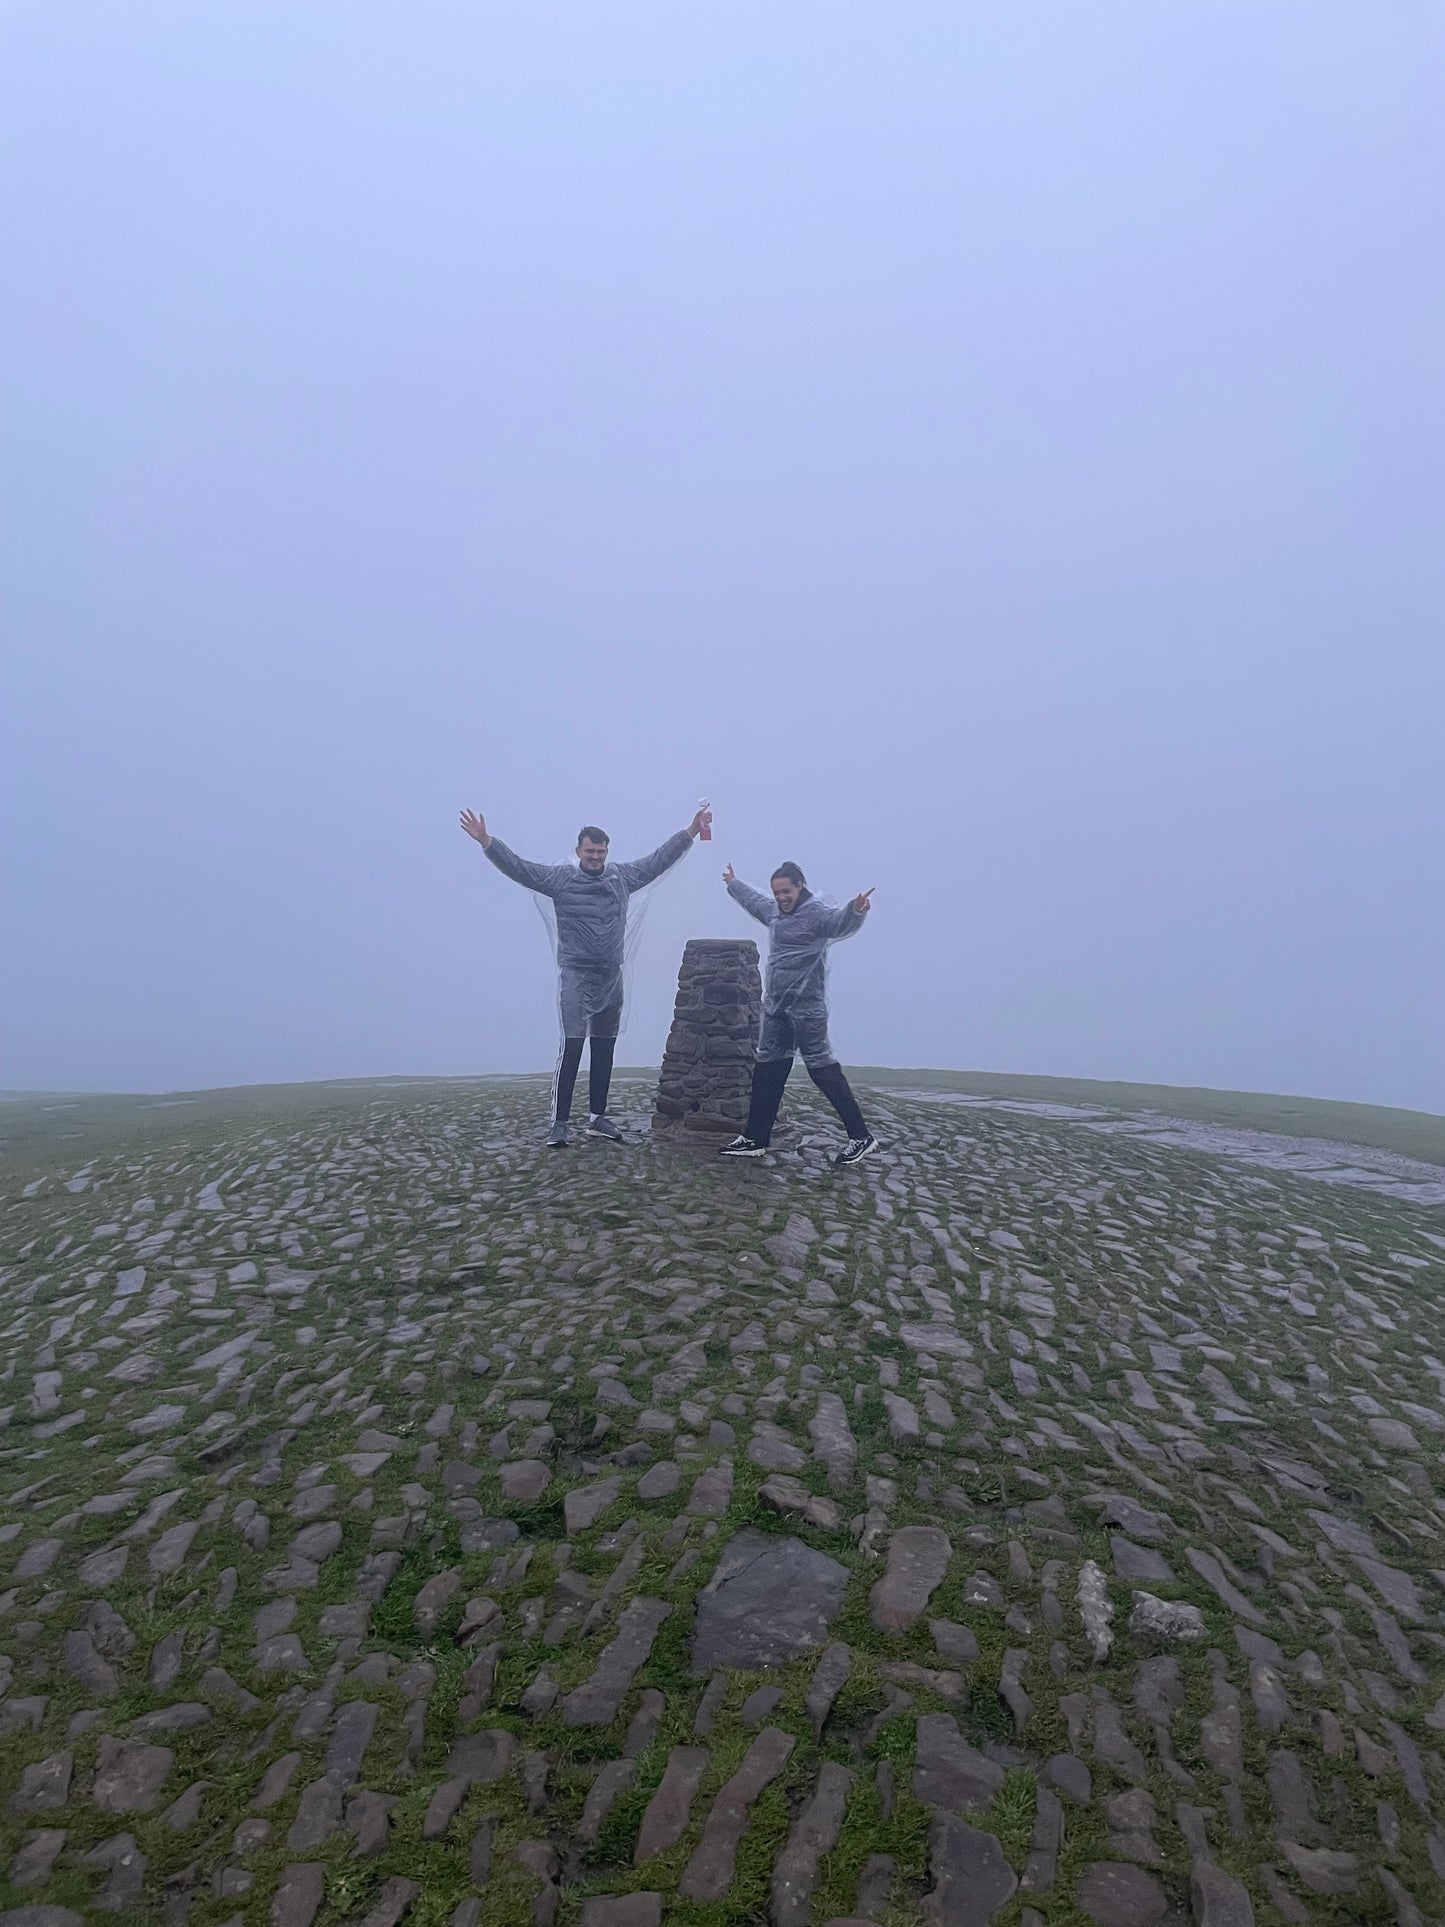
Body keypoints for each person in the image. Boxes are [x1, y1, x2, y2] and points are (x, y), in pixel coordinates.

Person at [460, 805, 712, 1146]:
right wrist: (487, 842)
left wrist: (690, 831)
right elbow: (521, 869)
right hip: (576, 976)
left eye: (601, 852)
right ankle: (560, 1124)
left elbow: (657, 861)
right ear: (579, 850)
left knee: (605, 1049)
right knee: (573, 1047)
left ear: (607, 852)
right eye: (590, 851)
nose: (596, 856)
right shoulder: (561, 880)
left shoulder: (620, 877)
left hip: (611, 976)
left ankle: (597, 1118)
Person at [720, 858, 879, 1164]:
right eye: (776, 892)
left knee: (821, 1070)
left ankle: (861, 1136)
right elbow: (755, 902)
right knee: (767, 1070)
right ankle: (755, 1138)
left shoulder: (816, 913)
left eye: (786, 891)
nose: (781, 897)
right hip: (776, 1008)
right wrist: (733, 883)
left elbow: (839, 922)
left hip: (807, 1009)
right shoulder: (776, 913)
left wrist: (856, 910)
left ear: (800, 886)